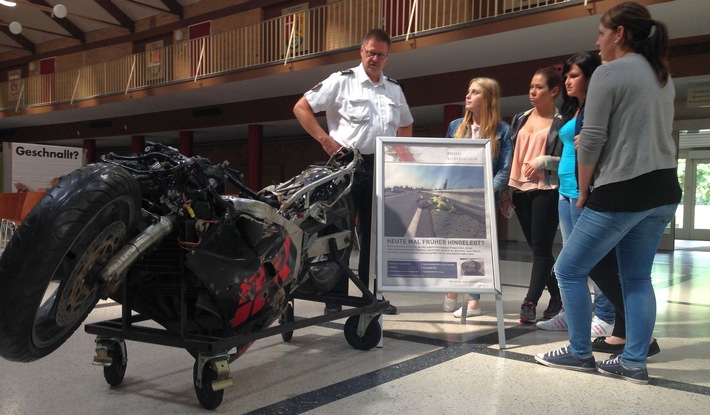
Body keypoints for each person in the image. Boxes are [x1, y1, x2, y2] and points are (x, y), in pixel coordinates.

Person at [535, 1, 681, 384]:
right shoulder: (661, 74)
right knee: (636, 277)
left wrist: (583, 192)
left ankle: (580, 352)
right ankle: (634, 362)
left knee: (568, 268)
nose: (598, 42)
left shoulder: (609, 72)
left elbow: (593, 139)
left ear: (619, 34)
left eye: (601, 33)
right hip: (664, 187)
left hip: (622, 189)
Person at [293, 28, 413, 315]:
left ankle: (371, 296)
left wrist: (401, 160)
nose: (374, 58)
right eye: (370, 52)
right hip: (344, 165)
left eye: (380, 55)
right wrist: (326, 141)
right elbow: (301, 107)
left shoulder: (394, 89)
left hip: (379, 168)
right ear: (361, 50)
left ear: (387, 56)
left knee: (375, 236)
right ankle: (335, 299)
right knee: (340, 234)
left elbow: (406, 124)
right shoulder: (342, 81)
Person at [536, 52, 615, 337]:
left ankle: (606, 316)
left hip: (587, 191)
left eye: (574, 75)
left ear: (591, 77)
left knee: (594, 259)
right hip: (565, 191)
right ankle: (571, 314)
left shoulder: (599, 107)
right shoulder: (574, 111)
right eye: (566, 75)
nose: (568, 81)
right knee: (571, 260)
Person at [441, 77, 512, 318]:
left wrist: (489, 190)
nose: (468, 96)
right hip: (456, 196)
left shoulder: (502, 130)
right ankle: (452, 290)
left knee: (476, 248)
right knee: (452, 242)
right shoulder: (455, 126)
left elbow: (504, 167)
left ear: (488, 98)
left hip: (484, 197)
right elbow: (445, 160)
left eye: (475, 92)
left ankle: (473, 301)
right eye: (468, 91)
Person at [503, 66, 564, 324]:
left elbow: (570, 160)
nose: (532, 91)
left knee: (540, 249)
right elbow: (510, 155)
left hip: (545, 189)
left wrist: (543, 160)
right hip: (520, 189)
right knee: (537, 248)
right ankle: (558, 297)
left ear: (554, 91)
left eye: (538, 87)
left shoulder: (563, 122)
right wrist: (506, 192)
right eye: (531, 86)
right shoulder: (520, 118)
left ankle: (529, 301)